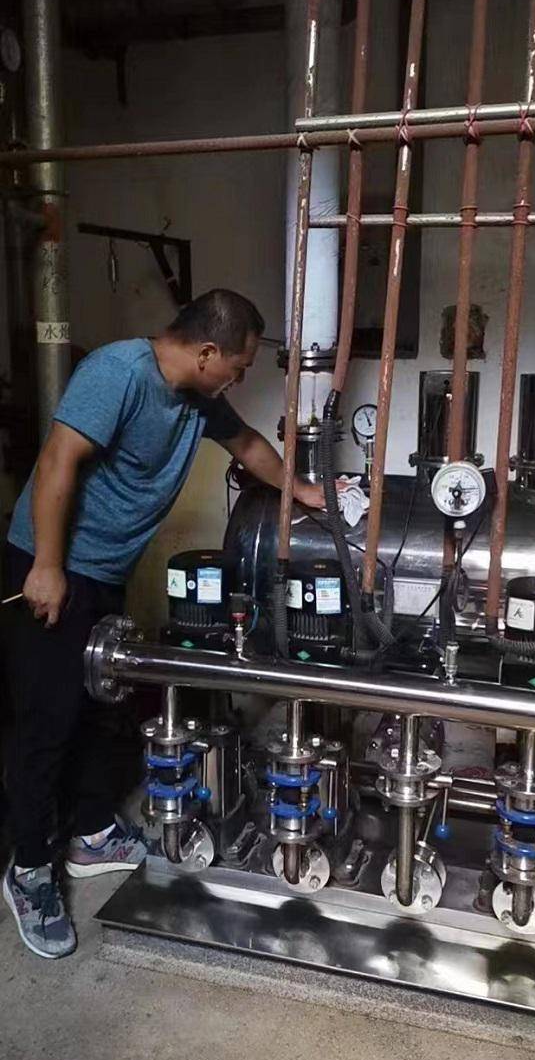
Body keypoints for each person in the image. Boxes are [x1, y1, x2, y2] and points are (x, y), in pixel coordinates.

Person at [2, 288, 329, 959]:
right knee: (48, 721)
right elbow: (57, 459)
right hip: (54, 564)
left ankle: (92, 833)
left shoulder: (199, 398)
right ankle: (29, 867)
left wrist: (300, 490)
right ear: (207, 352)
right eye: (238, 366)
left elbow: (248, 444)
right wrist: (48, 566)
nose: (239, 378)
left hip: (105, 571)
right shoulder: (118, 373)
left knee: (101, 706)